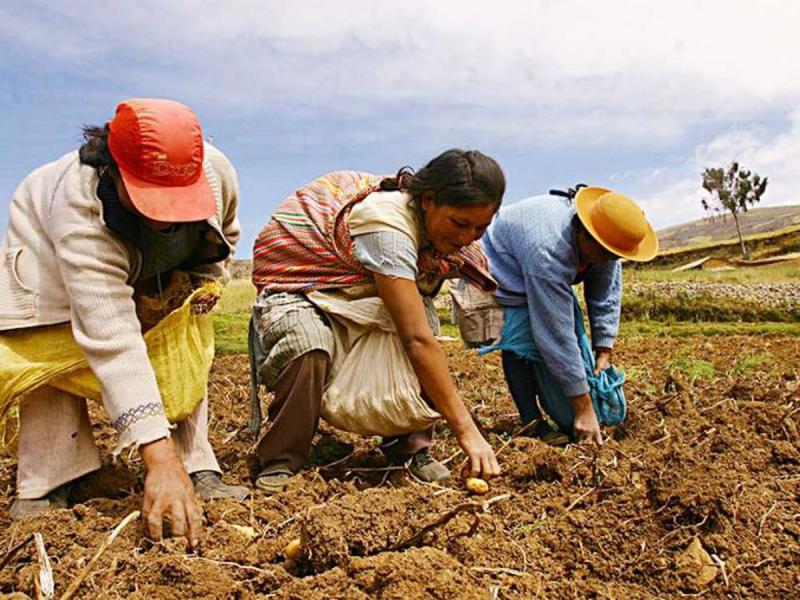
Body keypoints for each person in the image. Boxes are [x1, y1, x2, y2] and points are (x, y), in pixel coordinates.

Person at [0, 98, 247, 544]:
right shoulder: (79, 210)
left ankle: (196, 464)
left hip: (159, 267)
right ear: (115, 172)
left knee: (185, 335)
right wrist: (158, 459)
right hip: (46, 268)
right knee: (50, 351)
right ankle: (47, 482)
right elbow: (112, 338)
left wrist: (204, 284)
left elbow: (226, 234)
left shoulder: (215, 171)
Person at [250, 150, 505, 493]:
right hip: (304, 287)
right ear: (428, 201)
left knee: (421, 322)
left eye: (481, 227)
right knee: (306, 345)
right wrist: (466, 429)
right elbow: (416, 340)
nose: (467, 238)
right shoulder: (386, 226)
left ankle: (409, 448)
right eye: (460, 223)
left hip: (363, 290)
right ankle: (281, 459)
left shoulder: (444, 241)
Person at [481, 186, 658, 445]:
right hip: (502, 267)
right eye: (605, 255)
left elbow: (605, 294)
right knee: (519, 341)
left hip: (538, 265)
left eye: (615, 257)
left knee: (571, 356)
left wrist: (604, 350)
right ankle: (531, 422)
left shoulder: (605, 242)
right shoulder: (548, 251)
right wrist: (583, 410)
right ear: (584, 236)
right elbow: (556, 334)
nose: (610, 260)